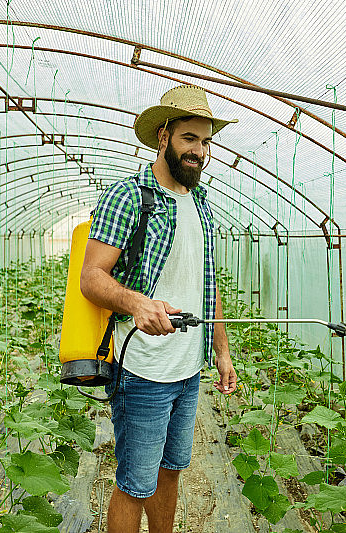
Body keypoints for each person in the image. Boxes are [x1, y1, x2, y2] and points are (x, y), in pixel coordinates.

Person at [79, 84, 239, 533]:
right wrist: (135, 302)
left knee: (171, 471)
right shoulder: (129, 196)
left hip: (188, 370)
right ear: (163, 136)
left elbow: (208, 286)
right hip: (143, 369)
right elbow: (91, 276)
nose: (200, 151)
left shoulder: (202, 203)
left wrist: (221, 352)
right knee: (135, 483)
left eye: (206, 142)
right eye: (190, 138)